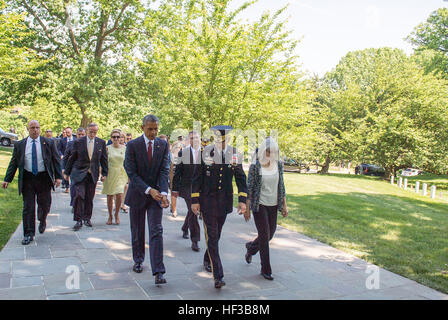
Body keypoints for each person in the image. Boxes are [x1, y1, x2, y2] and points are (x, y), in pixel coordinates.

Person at [191, 125, 247, 289]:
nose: (218, 144)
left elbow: (241, 178)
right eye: (216, 141)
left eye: (222, 141)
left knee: (216, 236)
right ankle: (218, 275)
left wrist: (243, 200)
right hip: (207, 202)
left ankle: (207, 259)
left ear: (227, 140)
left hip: (224, 202)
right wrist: (195, 200)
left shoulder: (234, 154)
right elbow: (197, 178)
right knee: (213, 237)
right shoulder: (205, 153)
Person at [124, 114, 170, 285]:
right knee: (137, 230)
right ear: (142, 127)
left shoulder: (163, 144)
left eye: (156, 129)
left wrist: (163, 193)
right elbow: (131, 172)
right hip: (138, 193)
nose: (153, 132)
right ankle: (138, 259)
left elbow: (165, 170)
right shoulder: (132, 145)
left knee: (156, 230)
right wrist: (148, 189)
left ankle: (159, 270)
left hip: (156, 196)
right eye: (150, 129)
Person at [2, 120, 62, 245]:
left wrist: (58, 177)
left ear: (40, 129)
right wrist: (7, 179)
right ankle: (28, 234)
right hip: (28, 179)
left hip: (44, 178)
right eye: (32, 128)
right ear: (28, 129)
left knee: (44, 204)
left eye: (37, 127)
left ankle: (42, 219)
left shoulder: (49, 143)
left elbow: (56, 160)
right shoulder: (20, 144)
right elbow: (14, 163)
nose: (35, 130)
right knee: (28, 207)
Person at [244, 137, 288, 281]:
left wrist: (284, 205)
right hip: (260, 204)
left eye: (274, 152)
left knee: (270, 234)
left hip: (273, 204)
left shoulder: (279, 165)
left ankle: (251, 248)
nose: (271, 155)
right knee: (264, 235)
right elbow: (249, 188)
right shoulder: (256, 166)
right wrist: (247, 209)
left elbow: (281, 186)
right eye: (269, 152)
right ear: (263, 151)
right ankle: (266, 269)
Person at [64, 123, 108, 231]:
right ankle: (78, 220)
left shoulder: (101, 143)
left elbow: (104, 159)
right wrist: (67, 172)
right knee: (79, 196)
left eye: (95, 132)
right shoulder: (78, 142)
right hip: (79, 173)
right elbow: (72, 158)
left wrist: (105, 174)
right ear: (87, 131)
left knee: (89, 197)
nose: (92, 134)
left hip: (92, 174)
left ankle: (87, 218)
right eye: (91, 131)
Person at [172, 131, 201, 252]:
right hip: (187, 187)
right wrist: (175, 189)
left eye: (196, 138)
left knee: (192, 210)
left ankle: (185, 227)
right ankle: (195, 240)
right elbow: (177, 172)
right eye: (191, 138)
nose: (194, 140)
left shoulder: (207, 152)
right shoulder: (182, 153)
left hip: (201, 188)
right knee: (194, 211)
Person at [102, 129, 128, 225]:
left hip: (121, 173)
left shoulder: (125, 148)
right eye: (114, 137)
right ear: (111, 138)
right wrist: (103, 174)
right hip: (110, 172)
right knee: (109, 195)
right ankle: (110, 215)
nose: (116, 138)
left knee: (119, 194)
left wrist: (130, 175)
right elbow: (103, 162)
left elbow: (128, 162)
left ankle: (117, 214)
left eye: (118, 136)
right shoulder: (107, 148)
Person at [63, 127, 86, 212]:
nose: (81, 136)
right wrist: (64, 169)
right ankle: (74, 204)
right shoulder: (71, 144)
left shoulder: (88, 144)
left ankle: (83, 205)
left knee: (83, 189)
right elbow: (65, 157)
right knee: (74, 187)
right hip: (74, 169)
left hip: (85, 170)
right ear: (76, 135)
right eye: (79, 134)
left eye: (82, 134)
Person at [170, 135, 185, 217]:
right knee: (174, 190)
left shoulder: (184, 153)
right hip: (174, 173)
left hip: (183, 175)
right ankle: (174, 209)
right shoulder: (172, 155)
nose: (179, 147)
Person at [58, 127, 76, 193]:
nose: (67, 134)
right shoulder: (62, 140)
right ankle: (67, 187)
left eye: (68, 132)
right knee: (65, 172)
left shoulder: (76, 139)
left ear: (71, 132)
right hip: (65, 158)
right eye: (66, 132)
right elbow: (59, 149)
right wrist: (61, 155)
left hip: (73, 159)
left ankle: (73, 185)